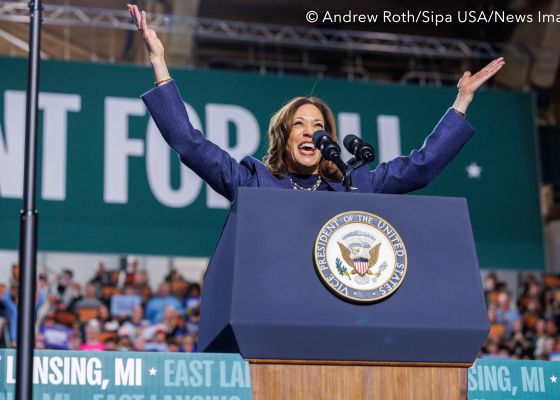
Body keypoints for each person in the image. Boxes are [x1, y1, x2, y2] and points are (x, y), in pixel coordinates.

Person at [127, 5, 505, 199]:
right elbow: (191, 145)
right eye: (300, 125)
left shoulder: (354, 184)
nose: (311, 134)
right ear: (283, 137)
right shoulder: (253, 183)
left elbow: (421, 168)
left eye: (319, 127)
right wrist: (159, 61)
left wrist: (462, 100)